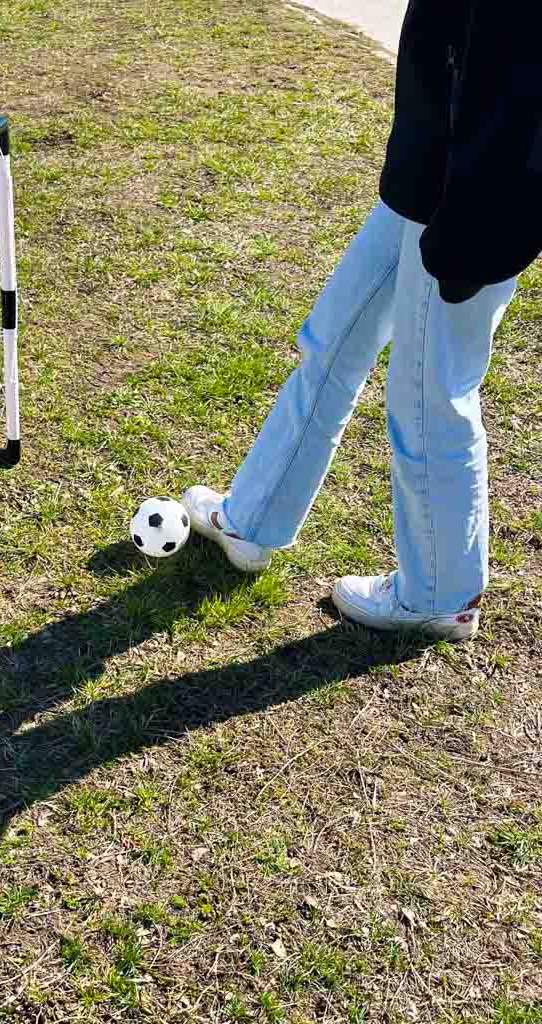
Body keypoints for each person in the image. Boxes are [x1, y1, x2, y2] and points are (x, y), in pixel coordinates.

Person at [182, 0, 542, 641]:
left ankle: (440, 596)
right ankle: (252, 520)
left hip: (477, 204)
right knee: (333, 339)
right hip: (425, 175)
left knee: (431, 399)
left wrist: (475, 229)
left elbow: (519, 87)